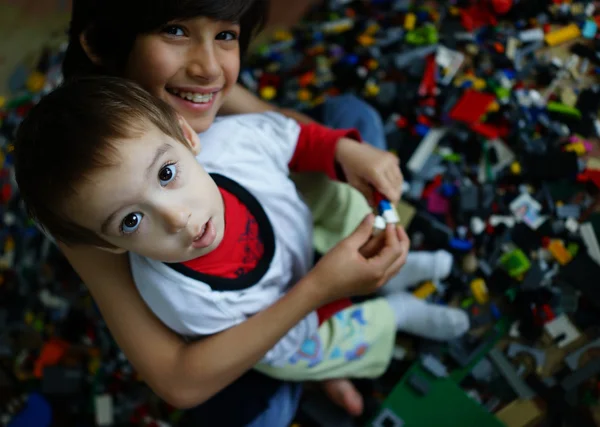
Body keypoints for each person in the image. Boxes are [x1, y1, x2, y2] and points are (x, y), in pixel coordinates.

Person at [52, 0, 467, 422]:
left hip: (279, 238)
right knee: (263, 408)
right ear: (102, 44)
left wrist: (343, 149)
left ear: (185, 139)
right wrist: (319, 293)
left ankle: (352, 301)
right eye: (175, 31)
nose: (210, 69)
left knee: (353, 124)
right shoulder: (80, 191)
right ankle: (338, 345)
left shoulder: (208, 113)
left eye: (226, 34)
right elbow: (177, 377)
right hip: (243, 322)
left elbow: (276, 129)